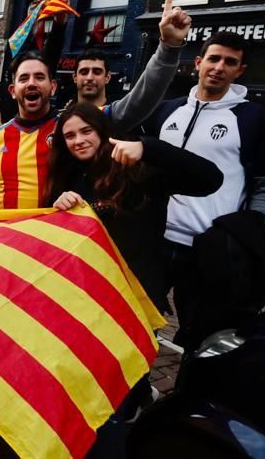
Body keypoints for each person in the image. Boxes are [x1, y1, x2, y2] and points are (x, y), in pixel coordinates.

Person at [0, 0, 193, 425]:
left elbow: (137, 105)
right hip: (2, 253)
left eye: (40, 77)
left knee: (40, 340)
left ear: (53, 86)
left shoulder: (73, 129)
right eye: (24, 78)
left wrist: (167, 49)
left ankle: (37, 408)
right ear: (12, 87)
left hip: (52, 258)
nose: (32, 84)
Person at [49, 102, 223, 455]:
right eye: (70, 135)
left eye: (86, 131)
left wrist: (149, 147)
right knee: (93, 396)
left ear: (102, 131)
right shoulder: (71, 175)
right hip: (89, 303)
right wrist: (58, 202)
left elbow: (211, 178)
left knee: (111, 403)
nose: (79, 140)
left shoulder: (140, 169)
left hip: (136, 303)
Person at [144, 30, 265, 353]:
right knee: (137, 321)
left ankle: (189, 395)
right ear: (198, 63)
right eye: (214, 58)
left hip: (207, 249)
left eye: (230, 62)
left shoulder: (254, 120)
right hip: (157, 242)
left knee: (201, 336)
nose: (220, 67)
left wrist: (251, 227)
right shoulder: (167, 111)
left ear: (240, 71)